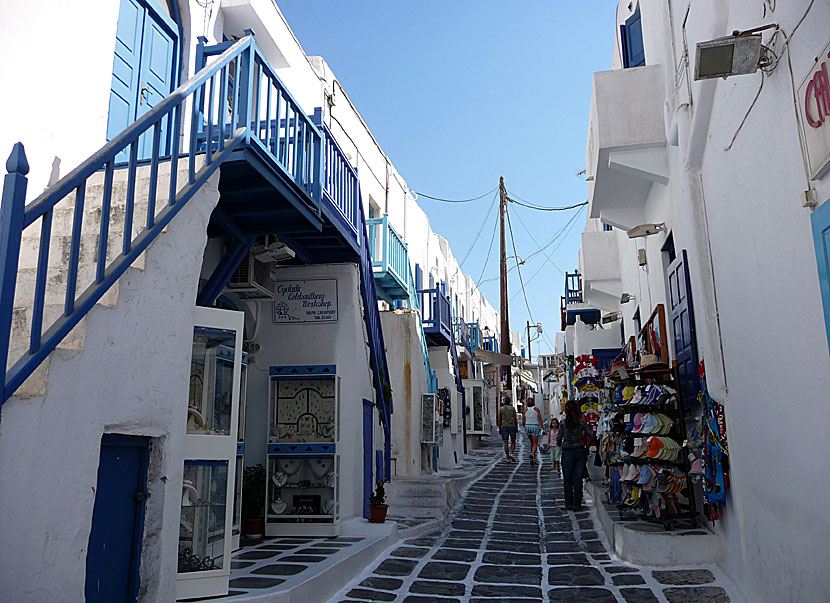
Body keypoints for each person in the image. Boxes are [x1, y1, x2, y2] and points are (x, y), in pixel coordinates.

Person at [557, 399, 596, 510]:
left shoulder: (563, 423)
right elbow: (592, 435)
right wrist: (586, 447)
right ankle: (577, 504)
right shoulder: (581, 422)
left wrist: (561, 444)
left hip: (567, 452)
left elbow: (559, 438)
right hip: (580, 451)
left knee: (568, 480)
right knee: (578, 479)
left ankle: (568, 503)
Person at [522, 399, 544, 465]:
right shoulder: (536, 410)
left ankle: (533, 457)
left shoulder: (525, 410)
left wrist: (524, 426)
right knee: (535, 443)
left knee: (531, 442)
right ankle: (532, 454)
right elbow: (539, 420)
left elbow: (523, 420)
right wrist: (542, 428)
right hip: (535, 426)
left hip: (527, 426)